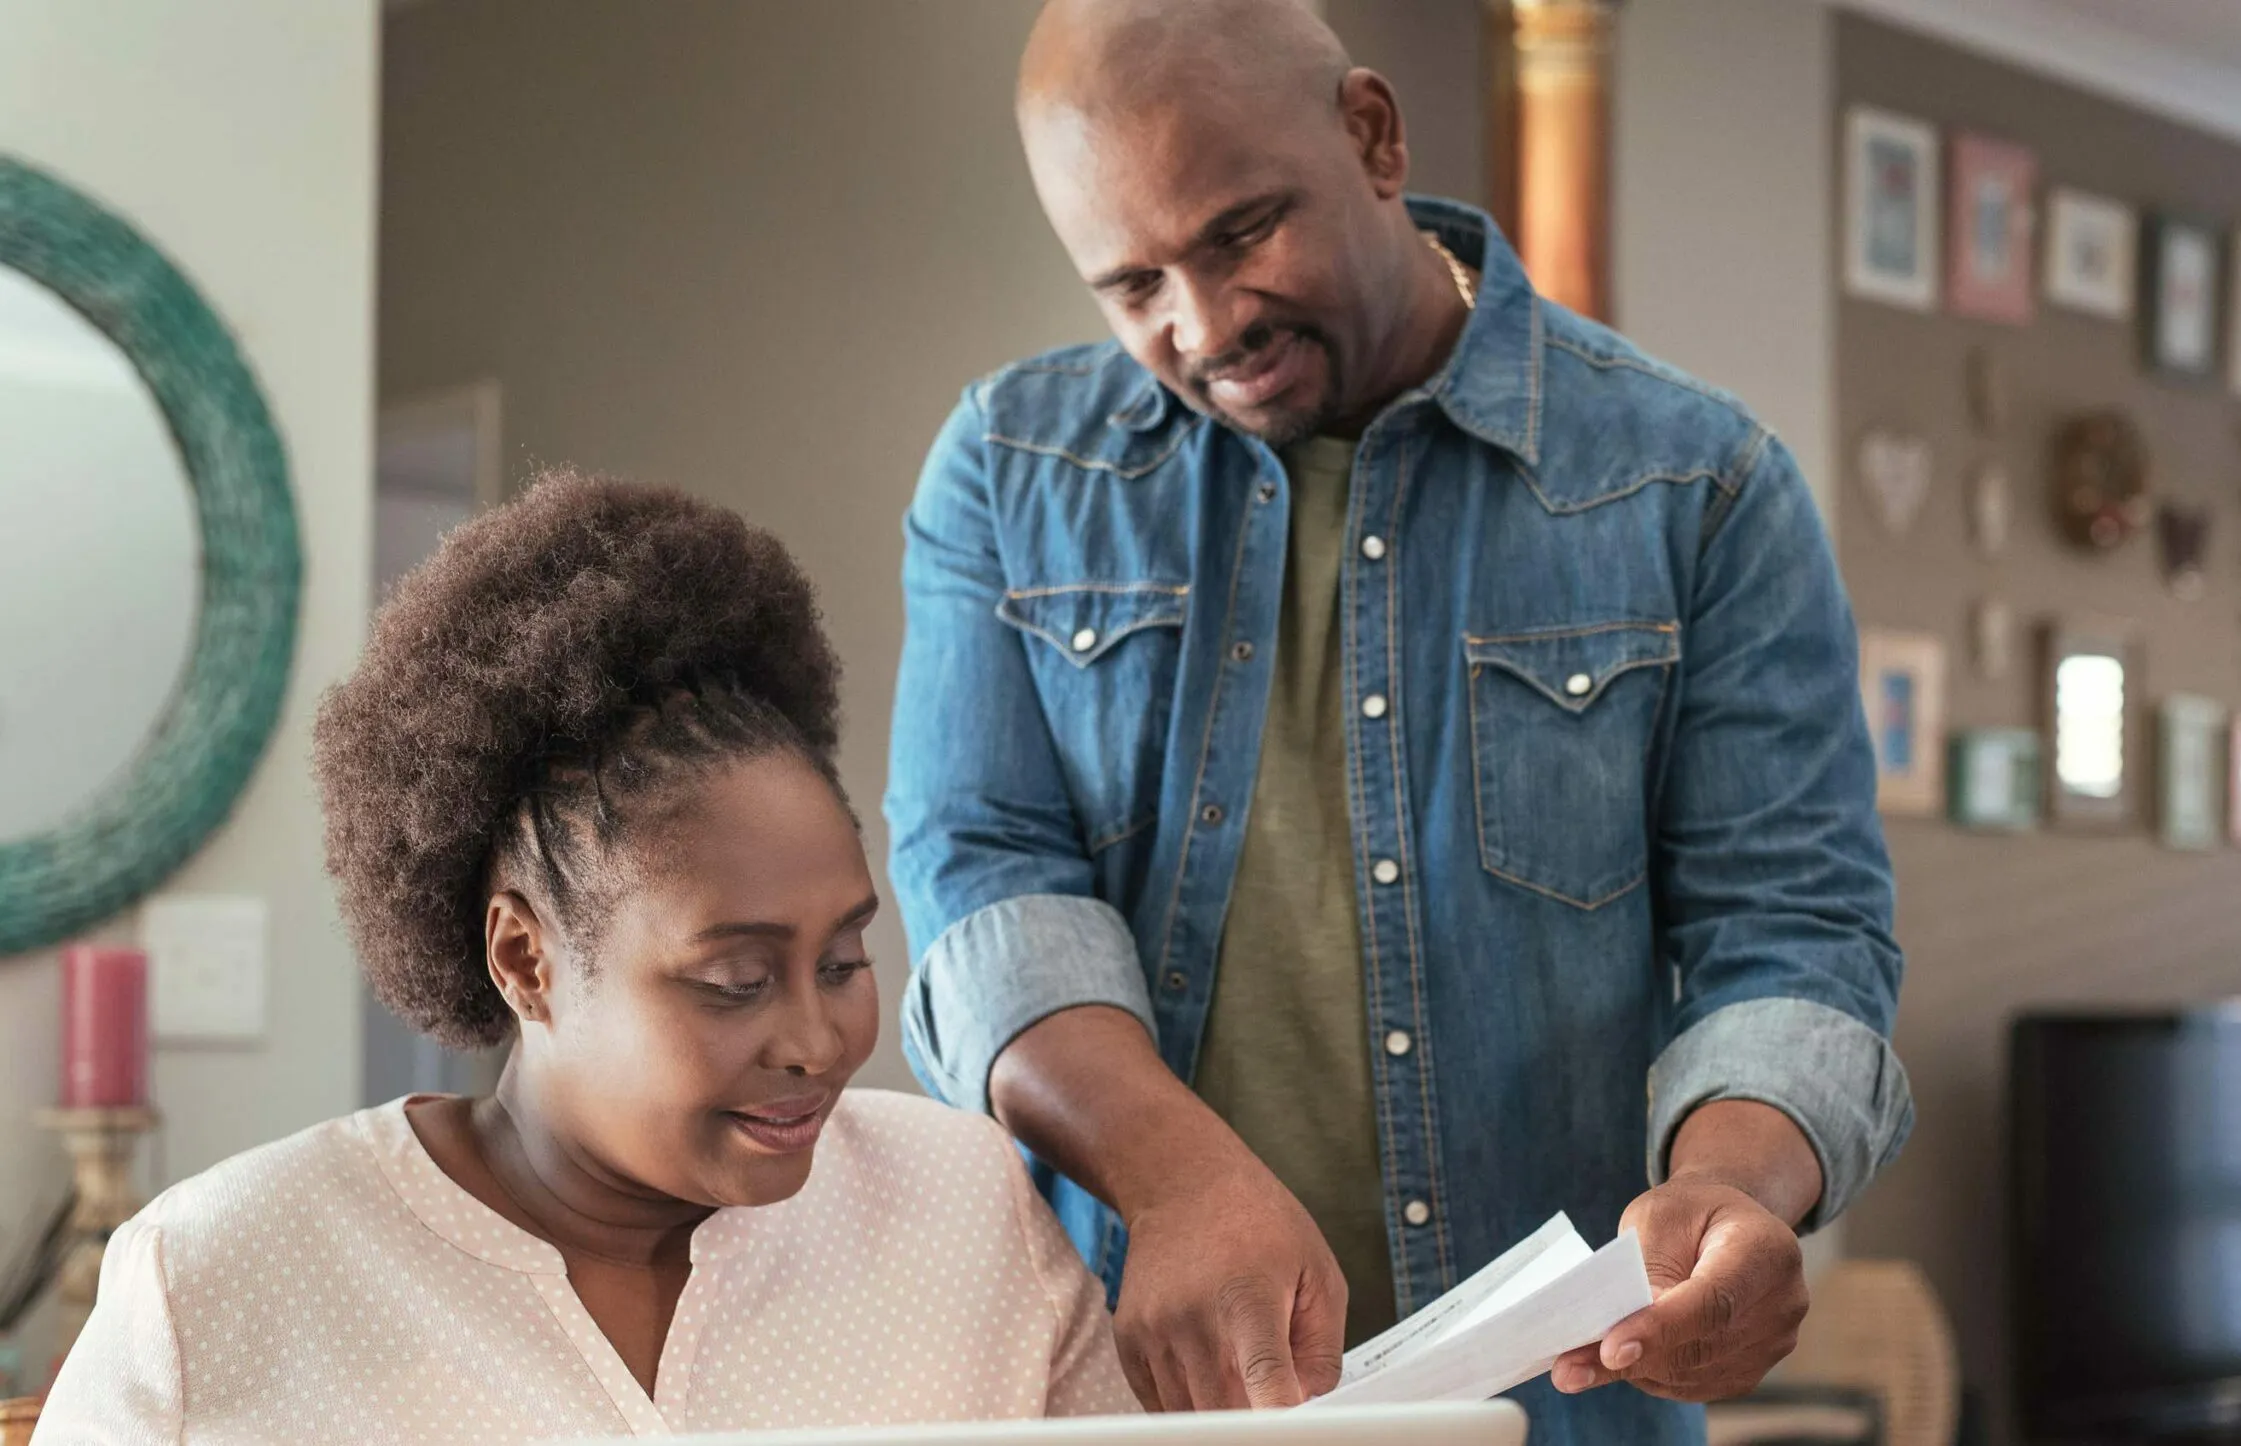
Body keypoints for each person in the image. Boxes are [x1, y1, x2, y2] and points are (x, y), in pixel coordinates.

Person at [885, 1, 1914, 1441]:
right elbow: (983, 876)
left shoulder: (1702, 486)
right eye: (1132, 285)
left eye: (1241, 232)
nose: (1204, 323)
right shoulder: (1010, 468)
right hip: (1123, 1398)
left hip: (1561, 1407)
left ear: (1372, 134)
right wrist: (1175, 1173)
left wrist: (1736, 1189)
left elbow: (1793, 926)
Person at [35, 474, 1137, 1444]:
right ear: (524, 958)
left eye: (843, 959)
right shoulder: (224, 1273)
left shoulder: (960, 1205)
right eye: (736, 982)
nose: (816, 1040)